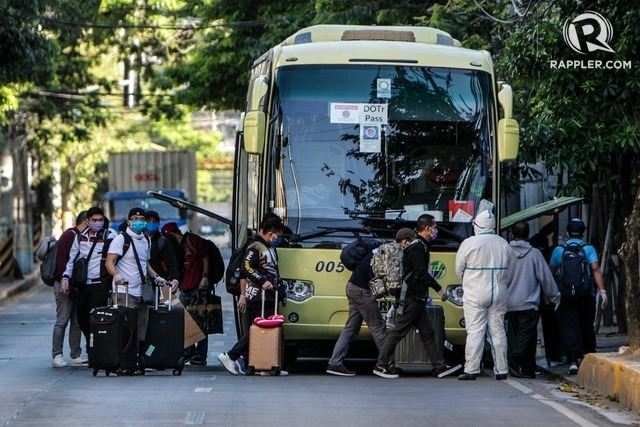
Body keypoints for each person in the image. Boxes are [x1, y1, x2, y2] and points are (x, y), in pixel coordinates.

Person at [373, 221, 458, 379]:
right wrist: (438, 288)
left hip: (417, 298)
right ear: (427, 228)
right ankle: (381, 365)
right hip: (411, 298)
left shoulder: (417, 247)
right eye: (434, 228)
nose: (435, 231)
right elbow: (420, 273)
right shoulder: (417, 247)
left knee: (427, 333)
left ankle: (439, 366)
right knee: (398, 332)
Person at [217, 214, 285, 376]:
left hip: (269, 297)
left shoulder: (269, 247)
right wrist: (262, 282)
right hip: (257, 297)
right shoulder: (255, 247)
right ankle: (230, 356)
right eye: (277, 235)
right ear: (270, 233)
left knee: (268, 330)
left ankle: (266, 364)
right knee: (258, 331)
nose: (278, 239)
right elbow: (246, 268)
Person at [455, 210, 512, 380]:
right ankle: (501, 370)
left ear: (478, 226)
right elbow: (510, 270)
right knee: (498, 331)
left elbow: (458, 269)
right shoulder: (504, 244)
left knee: (475, 331)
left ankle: (471, 370)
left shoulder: (469, 243)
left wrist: (466, 281)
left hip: (475, 292)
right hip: (499, 291)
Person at [105, 207, 166, 358]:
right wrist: (117, 275)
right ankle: (123, 362)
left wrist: (156, 276)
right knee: (126, 329)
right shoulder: (121, 239)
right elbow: (109, 262)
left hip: (142, 293)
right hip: (124, 293)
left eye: (141, 219)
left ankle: (138, 360)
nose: (138, 222)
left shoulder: (146, 240)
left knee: (141, 330)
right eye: (134, 219)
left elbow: (145, 263)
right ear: (129, 222)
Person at [549, 218, 606, 375]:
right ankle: (589, 357)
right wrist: (602, 291)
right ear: (583, 232)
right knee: (587, 325)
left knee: (569, 327)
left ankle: (572, 360)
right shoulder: (588, 249)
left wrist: (555, 292)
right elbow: (595, 269)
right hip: (586, 294)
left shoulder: (559, 250)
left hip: (566, 296)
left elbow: (551, 272)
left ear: (567, 233)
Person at [506, 221, 560, 379]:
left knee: (520, 336)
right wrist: (554, 297)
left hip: (509, 303)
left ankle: (528, 368)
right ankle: (514, 359)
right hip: (529, 303)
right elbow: (546, 278)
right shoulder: (535, 254)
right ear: (528, 235)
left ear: (512, 234)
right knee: (527, 336)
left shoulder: (505, 252)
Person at [326, 239, 387, 377]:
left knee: (351, 329)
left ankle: (335, 363)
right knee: (378, 326)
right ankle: (387, 364)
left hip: (352, 287)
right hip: (361, 291)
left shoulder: (373, 251)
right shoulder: (384, 254)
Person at [61, 206, 114, 359]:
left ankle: (96, 351)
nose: (98, 223)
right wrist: (66, 277)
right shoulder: (80, 237)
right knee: (82, 319)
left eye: (100, 220)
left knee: (98, 319)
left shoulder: (108, 236)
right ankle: (91, 345)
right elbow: (72, 260)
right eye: (95, 220)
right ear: (87, 221)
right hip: (83, 286)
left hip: (100, 286)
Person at [162, 222, 211, 365]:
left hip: (198, 286)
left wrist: (205, 277)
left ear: (172, 234)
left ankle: (200, 355)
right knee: (184, 319)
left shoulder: (192, 240)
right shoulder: (175, 247)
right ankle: (188, 350)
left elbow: (206, 256)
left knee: (200, 321)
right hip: (185, 286)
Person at [51, 210, 88, 368]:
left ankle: (75, 355)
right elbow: (60, 262)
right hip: (64, 285)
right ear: (86, 221)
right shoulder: (69, 235)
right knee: (62, 321)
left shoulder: (84, 238)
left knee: (77, 322)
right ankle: (57, 355)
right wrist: (63, 280)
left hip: (77, 287)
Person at [144, 210, 180, 295]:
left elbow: (171, 263)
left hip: (158, 283)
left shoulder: (163, 242)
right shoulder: (137, 240)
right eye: (148, 221)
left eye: (154, 221)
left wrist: (175, 279)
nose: (151, 223)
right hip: (138, 284)